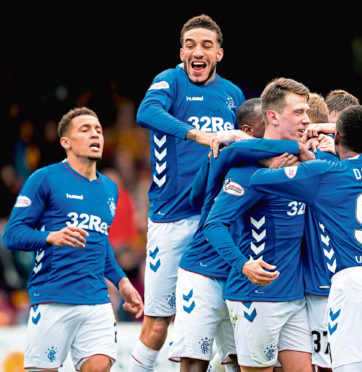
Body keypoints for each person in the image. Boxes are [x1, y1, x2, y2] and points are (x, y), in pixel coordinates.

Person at [250, 105, 362, 371]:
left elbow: (260, 180)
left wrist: (281, 165)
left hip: (352, 285)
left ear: (337, 138)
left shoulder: (325, 174)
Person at [130, 14, 246, 372]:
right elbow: (145, 112)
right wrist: (199, 135)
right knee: (158, 323)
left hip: (216, 219)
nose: (198, 51)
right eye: (191, 45)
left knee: (230, 318)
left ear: (219, 54)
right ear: (182, 52)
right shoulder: (170, 82)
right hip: (171, 218)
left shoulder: (232, 95)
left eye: (206, 45)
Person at [3, 107, 144, 372]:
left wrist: (122, 282)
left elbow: (100, 245)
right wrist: (50, 237)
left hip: (96, 300)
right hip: (53, 297)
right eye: (85, 129)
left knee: (100, 367)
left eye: (99, 130)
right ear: (65, 142)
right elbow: (12, 235)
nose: (95, 135)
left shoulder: (109, 188)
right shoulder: (44, 179)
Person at [168, 97, 303, 372]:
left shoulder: (268, 162)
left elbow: (196, 197)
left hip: (240, 276)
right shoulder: (228, 153)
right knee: (195, 361)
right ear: (248, 130)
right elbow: (198, 199)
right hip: (204, 269)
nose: (272, 131)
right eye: (264, 124)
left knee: (242, 363)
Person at [203, 78, 315, 372]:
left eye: (307, 112)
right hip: (256, 296)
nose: (306, 119)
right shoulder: (248, 172)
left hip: (294, 296)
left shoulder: (306, 162)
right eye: (299, 112)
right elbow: (213, 224)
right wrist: (243, 265)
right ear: (274, 116)